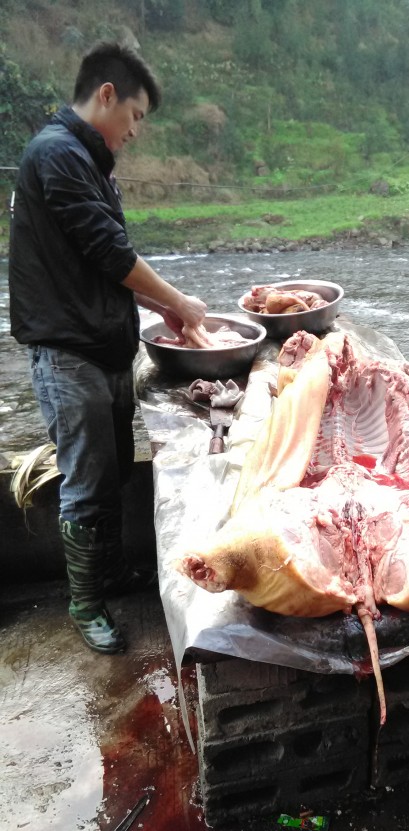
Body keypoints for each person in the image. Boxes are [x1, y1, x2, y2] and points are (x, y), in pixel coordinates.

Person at [9, 42, 207, 655]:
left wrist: (163, 310)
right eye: (137, 116)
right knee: (87, 480)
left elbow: (105, 269)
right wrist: (180, 303)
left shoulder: (87, 161)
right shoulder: (58, 156)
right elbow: (112, 253)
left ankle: (114, 572)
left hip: (102, 346)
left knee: (115, 468)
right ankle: (85, 601)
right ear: (106, 96)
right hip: (68, 354)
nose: (136, 131)